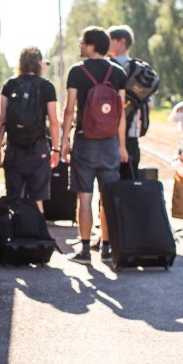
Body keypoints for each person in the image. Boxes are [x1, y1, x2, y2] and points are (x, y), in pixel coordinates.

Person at [59, 26, 128, 264]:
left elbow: (69, 110)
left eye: (82, 42)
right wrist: (122, 146)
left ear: (91, 46)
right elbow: (120, 114)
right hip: (109, 143)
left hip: (85, 141)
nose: (80, 45)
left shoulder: (77, 72)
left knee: (85, 196)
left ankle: (85, 250)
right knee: (107, 197)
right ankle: (106, 248)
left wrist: (64, 140)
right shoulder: (118, 72)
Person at [0, 46, 60, 212]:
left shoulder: (10, 85)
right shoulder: (47, 87)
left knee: (15, 199)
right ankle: (37, 228)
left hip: (14, 150)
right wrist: (56, 149)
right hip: (39, 149)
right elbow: (53, 122)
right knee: (37, 199)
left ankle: (17, 228)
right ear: (39, 64)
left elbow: (2, 120)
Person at [106, 25, 145, 180]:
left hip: (105, 132)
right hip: (131, 133)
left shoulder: (106, 67)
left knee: (108, 182)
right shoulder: (138, 69)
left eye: (109, 40)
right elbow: (148, 103)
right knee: (129, 181)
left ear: (121, 42)